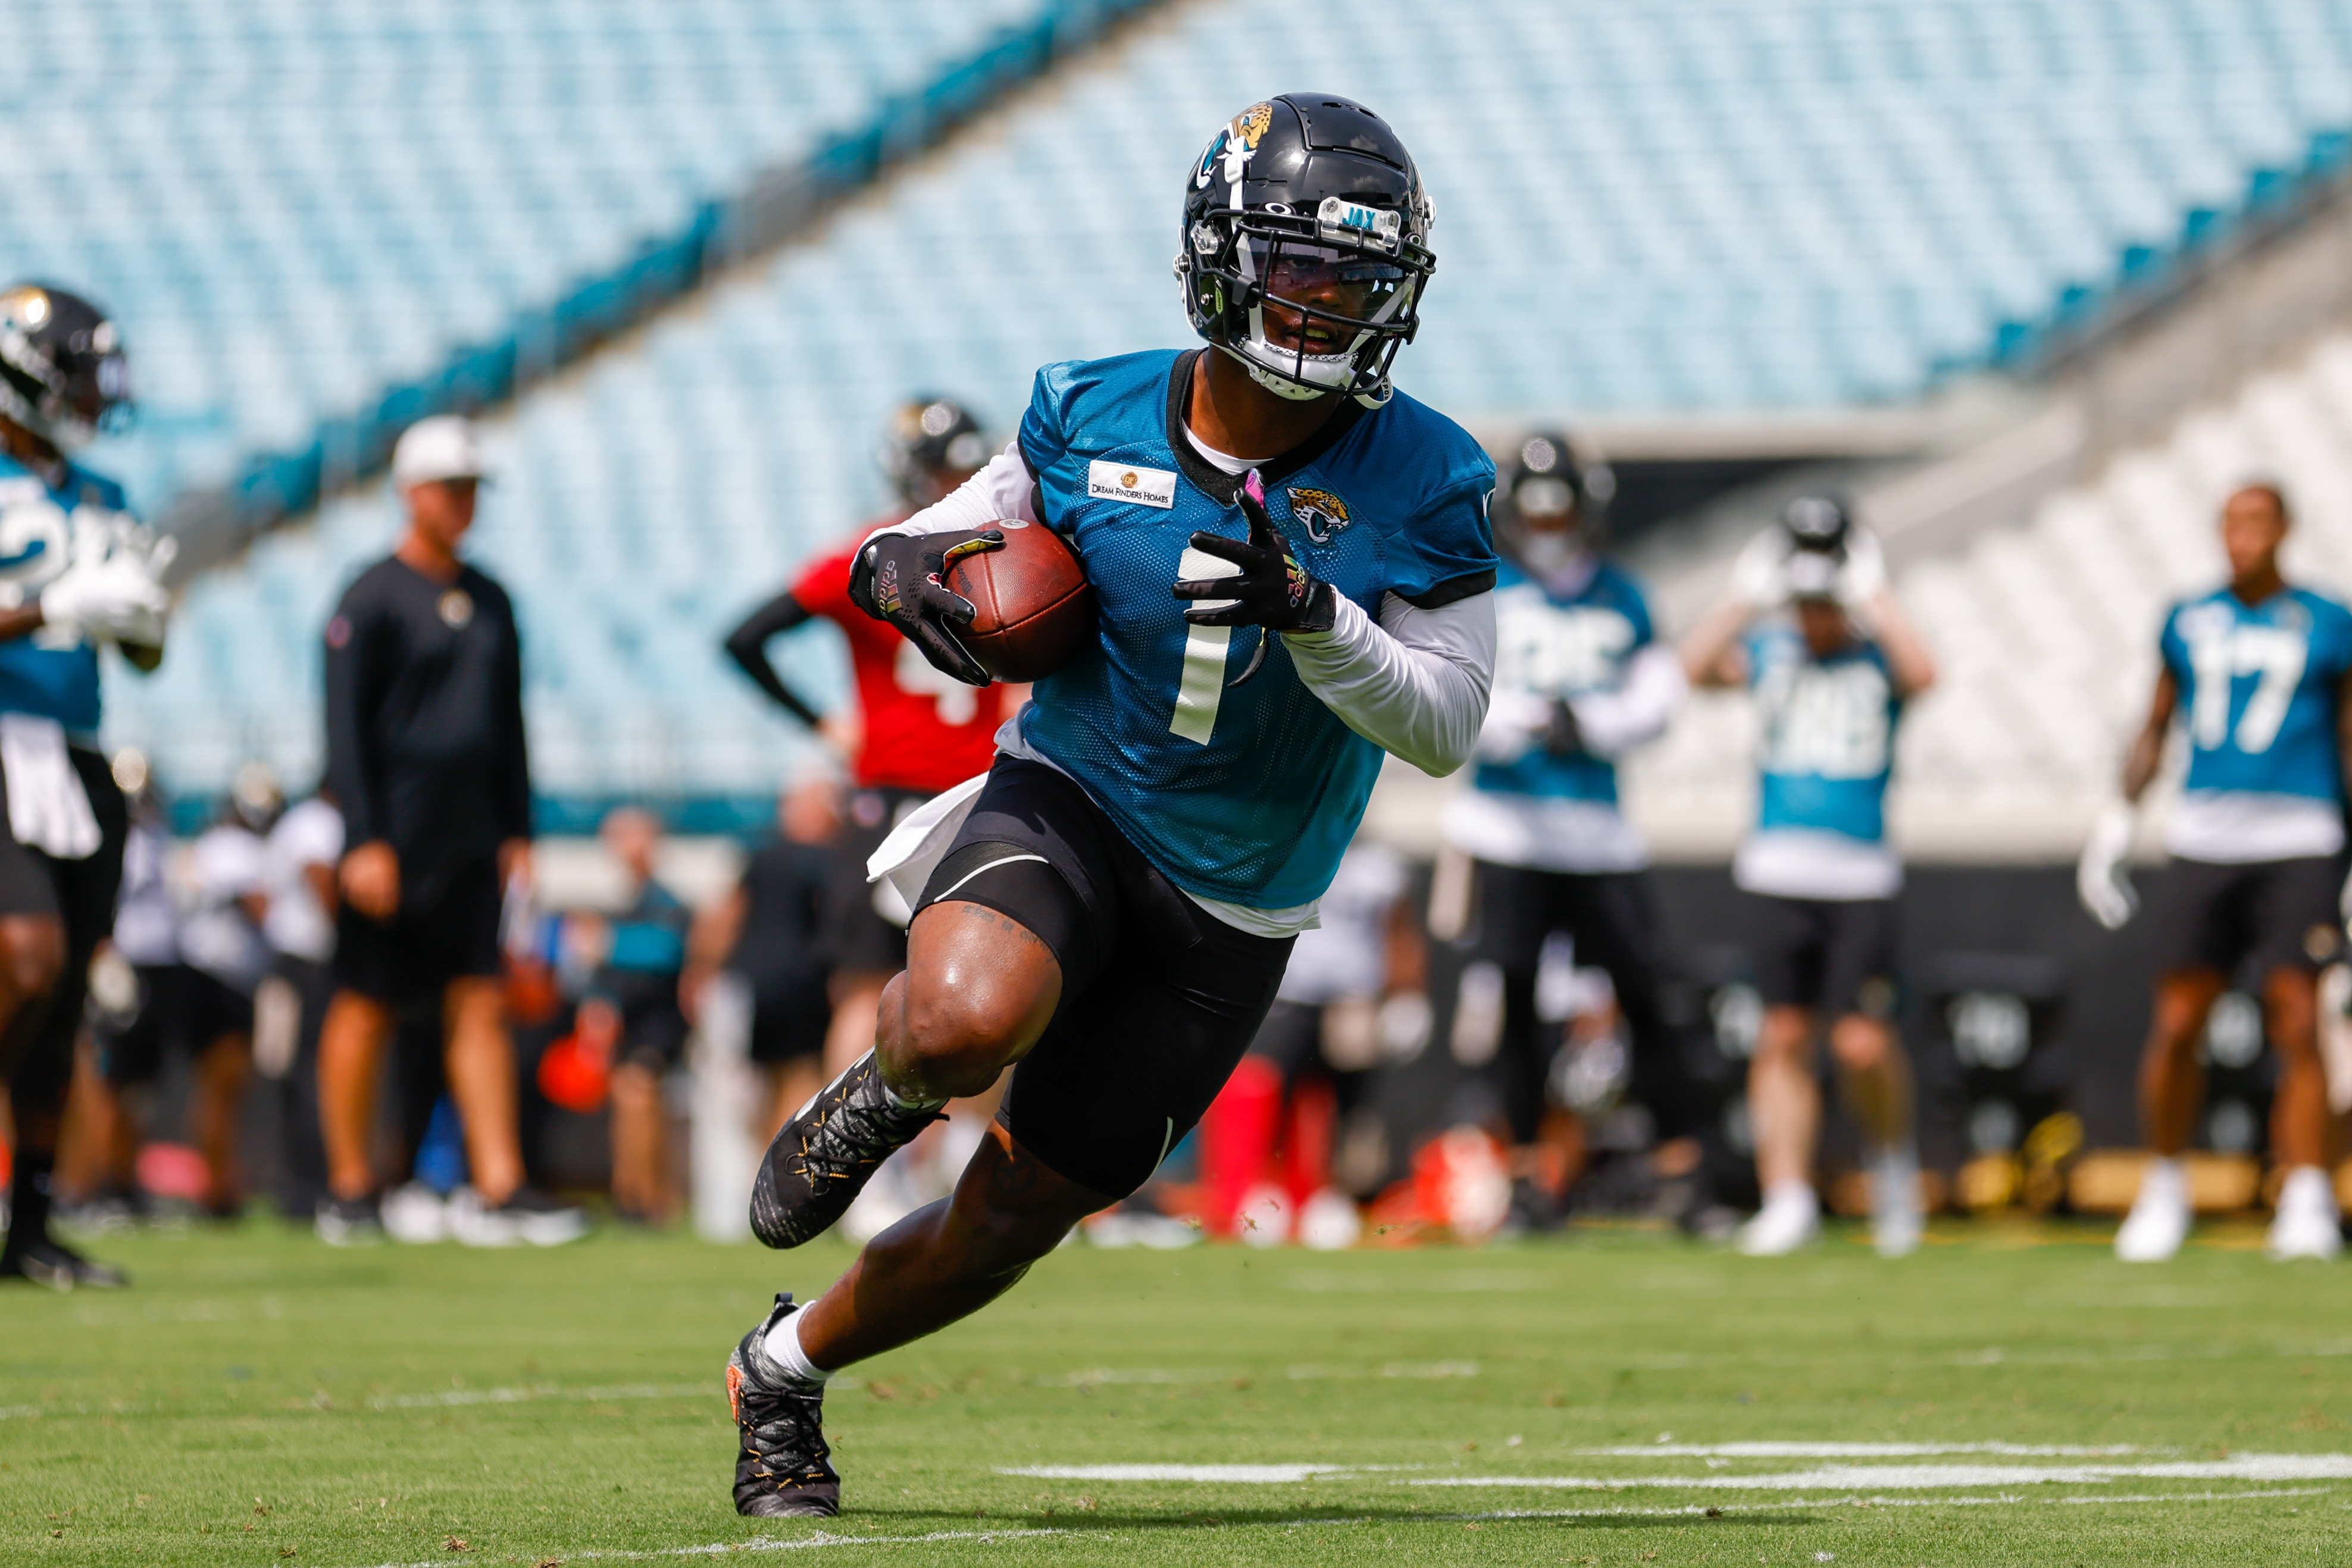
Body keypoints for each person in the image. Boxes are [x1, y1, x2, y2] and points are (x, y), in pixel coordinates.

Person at [723, 93, 1496, 1518]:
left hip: (1238, 899)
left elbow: (1444, 725)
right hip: (1075, 797)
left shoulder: (1428, 472)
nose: (1327, 304)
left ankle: (780, 1365)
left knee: (1011, 1217)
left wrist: (1316, 616)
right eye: (1299, 265)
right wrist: (907, 575)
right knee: (963, 1019)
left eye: (1356, 278)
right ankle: (889, 1084)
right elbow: (921, 540)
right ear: (1220, 257)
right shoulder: (1087, 410)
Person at [723, 399, 1027, 1235]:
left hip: (969, 791)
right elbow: (745, 636)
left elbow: (747, 638)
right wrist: (828, 725)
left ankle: (953, 1165)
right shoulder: (992, 549)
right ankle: (864, 1169)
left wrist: (825, 724)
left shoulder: (885, 550)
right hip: (922, 793)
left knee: (992, 986)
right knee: (871, 986)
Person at [313, 414, 581, 1248]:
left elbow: (509, 724)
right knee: (366, 1003)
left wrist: (517, 828)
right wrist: (363, 835)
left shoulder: (493, 598)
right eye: (451, 488)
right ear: (412, 492)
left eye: (471, 489)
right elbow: (344, 727)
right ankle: (348, 1185)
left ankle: (500, 1182)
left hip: (471, 837)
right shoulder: (370, 597)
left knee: (478, 999)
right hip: (394, 837)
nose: (464, 503)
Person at [1436, 432, 1710, 1227]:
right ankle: (1526, 1177)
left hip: (1597, 832)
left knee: (1648, 999)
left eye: (1560, 512)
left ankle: (1681, 1170)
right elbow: (1449, 691)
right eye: (1537, 513)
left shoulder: (1622, 594)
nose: (1548, 528)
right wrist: (1527, 720)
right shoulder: (1482, 588)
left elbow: (1658, 699)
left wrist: (1588, 722)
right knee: (1515, 1007)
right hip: (1508, 829)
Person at [2078, 483, 2352, 1263]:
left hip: (2300, 834)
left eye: (2257, 521)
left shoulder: (2327, 620)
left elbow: (2349, 736)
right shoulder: (2188, 617)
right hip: (2204, 835)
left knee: (2297, 1016)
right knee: (2177, 1019)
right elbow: (2155, 724)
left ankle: (2306, 1192)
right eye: (2232, 521)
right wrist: (2119, 817)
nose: (2243, 536)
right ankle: (2164, 1185)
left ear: (2285, 529)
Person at [1681, 495, 1935, 1259]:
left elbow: (1925, 673)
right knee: (1783, 1034)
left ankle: (1892, 1169)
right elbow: (1692, 668)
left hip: (1860, 874)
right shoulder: (1769, 648)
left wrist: (1874, 591)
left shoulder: (1876, 654)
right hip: (1777, 866)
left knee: (1861, 1042)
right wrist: (1742, 593)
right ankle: (1787, 1196)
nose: (1815, 615)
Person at [0, 282, 172, 1288]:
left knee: (62, 999)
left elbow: (143, 654)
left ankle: (30, 1227)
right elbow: (55, 608)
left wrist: (138, 620)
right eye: (80, 377)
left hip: (77, 752)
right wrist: (54, 604)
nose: (95, 399)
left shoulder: (101, 494)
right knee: (26, 957)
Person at [686, 776, 839, 1146]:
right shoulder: (830, 862)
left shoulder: (759, 857)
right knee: (802, 1078)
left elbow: (724, 916)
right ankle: (791, 1165)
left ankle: (768, 1163)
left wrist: (699, 969)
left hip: (754, 984)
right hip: (805, 986)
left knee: (759, 1085)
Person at [164, 762, 280, 1213]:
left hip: (214, 976)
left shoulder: (215, 845)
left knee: (220, 1088)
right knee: (223, 1086)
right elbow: (263, 909)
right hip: (219, 979)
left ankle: (218, 1183)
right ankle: (216, 1189)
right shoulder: (235, 848)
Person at [586, 806, 692, 1223]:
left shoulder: (664, 900)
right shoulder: (627, 899)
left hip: (659, 1019)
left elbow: (668, 949)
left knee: (638, 1095)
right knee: (626, 1099)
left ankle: (648, 1198)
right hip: (628, 1022)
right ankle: (629, 1193)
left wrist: (607, 942)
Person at [254, 784, 343, 1216]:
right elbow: (319, 873)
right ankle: (313, 1185)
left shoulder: (299, 820)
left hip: (294, 961)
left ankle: (305, 1186)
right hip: (307, 964)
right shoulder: (317, 819)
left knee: (298, 1074)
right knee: (308, 1074)